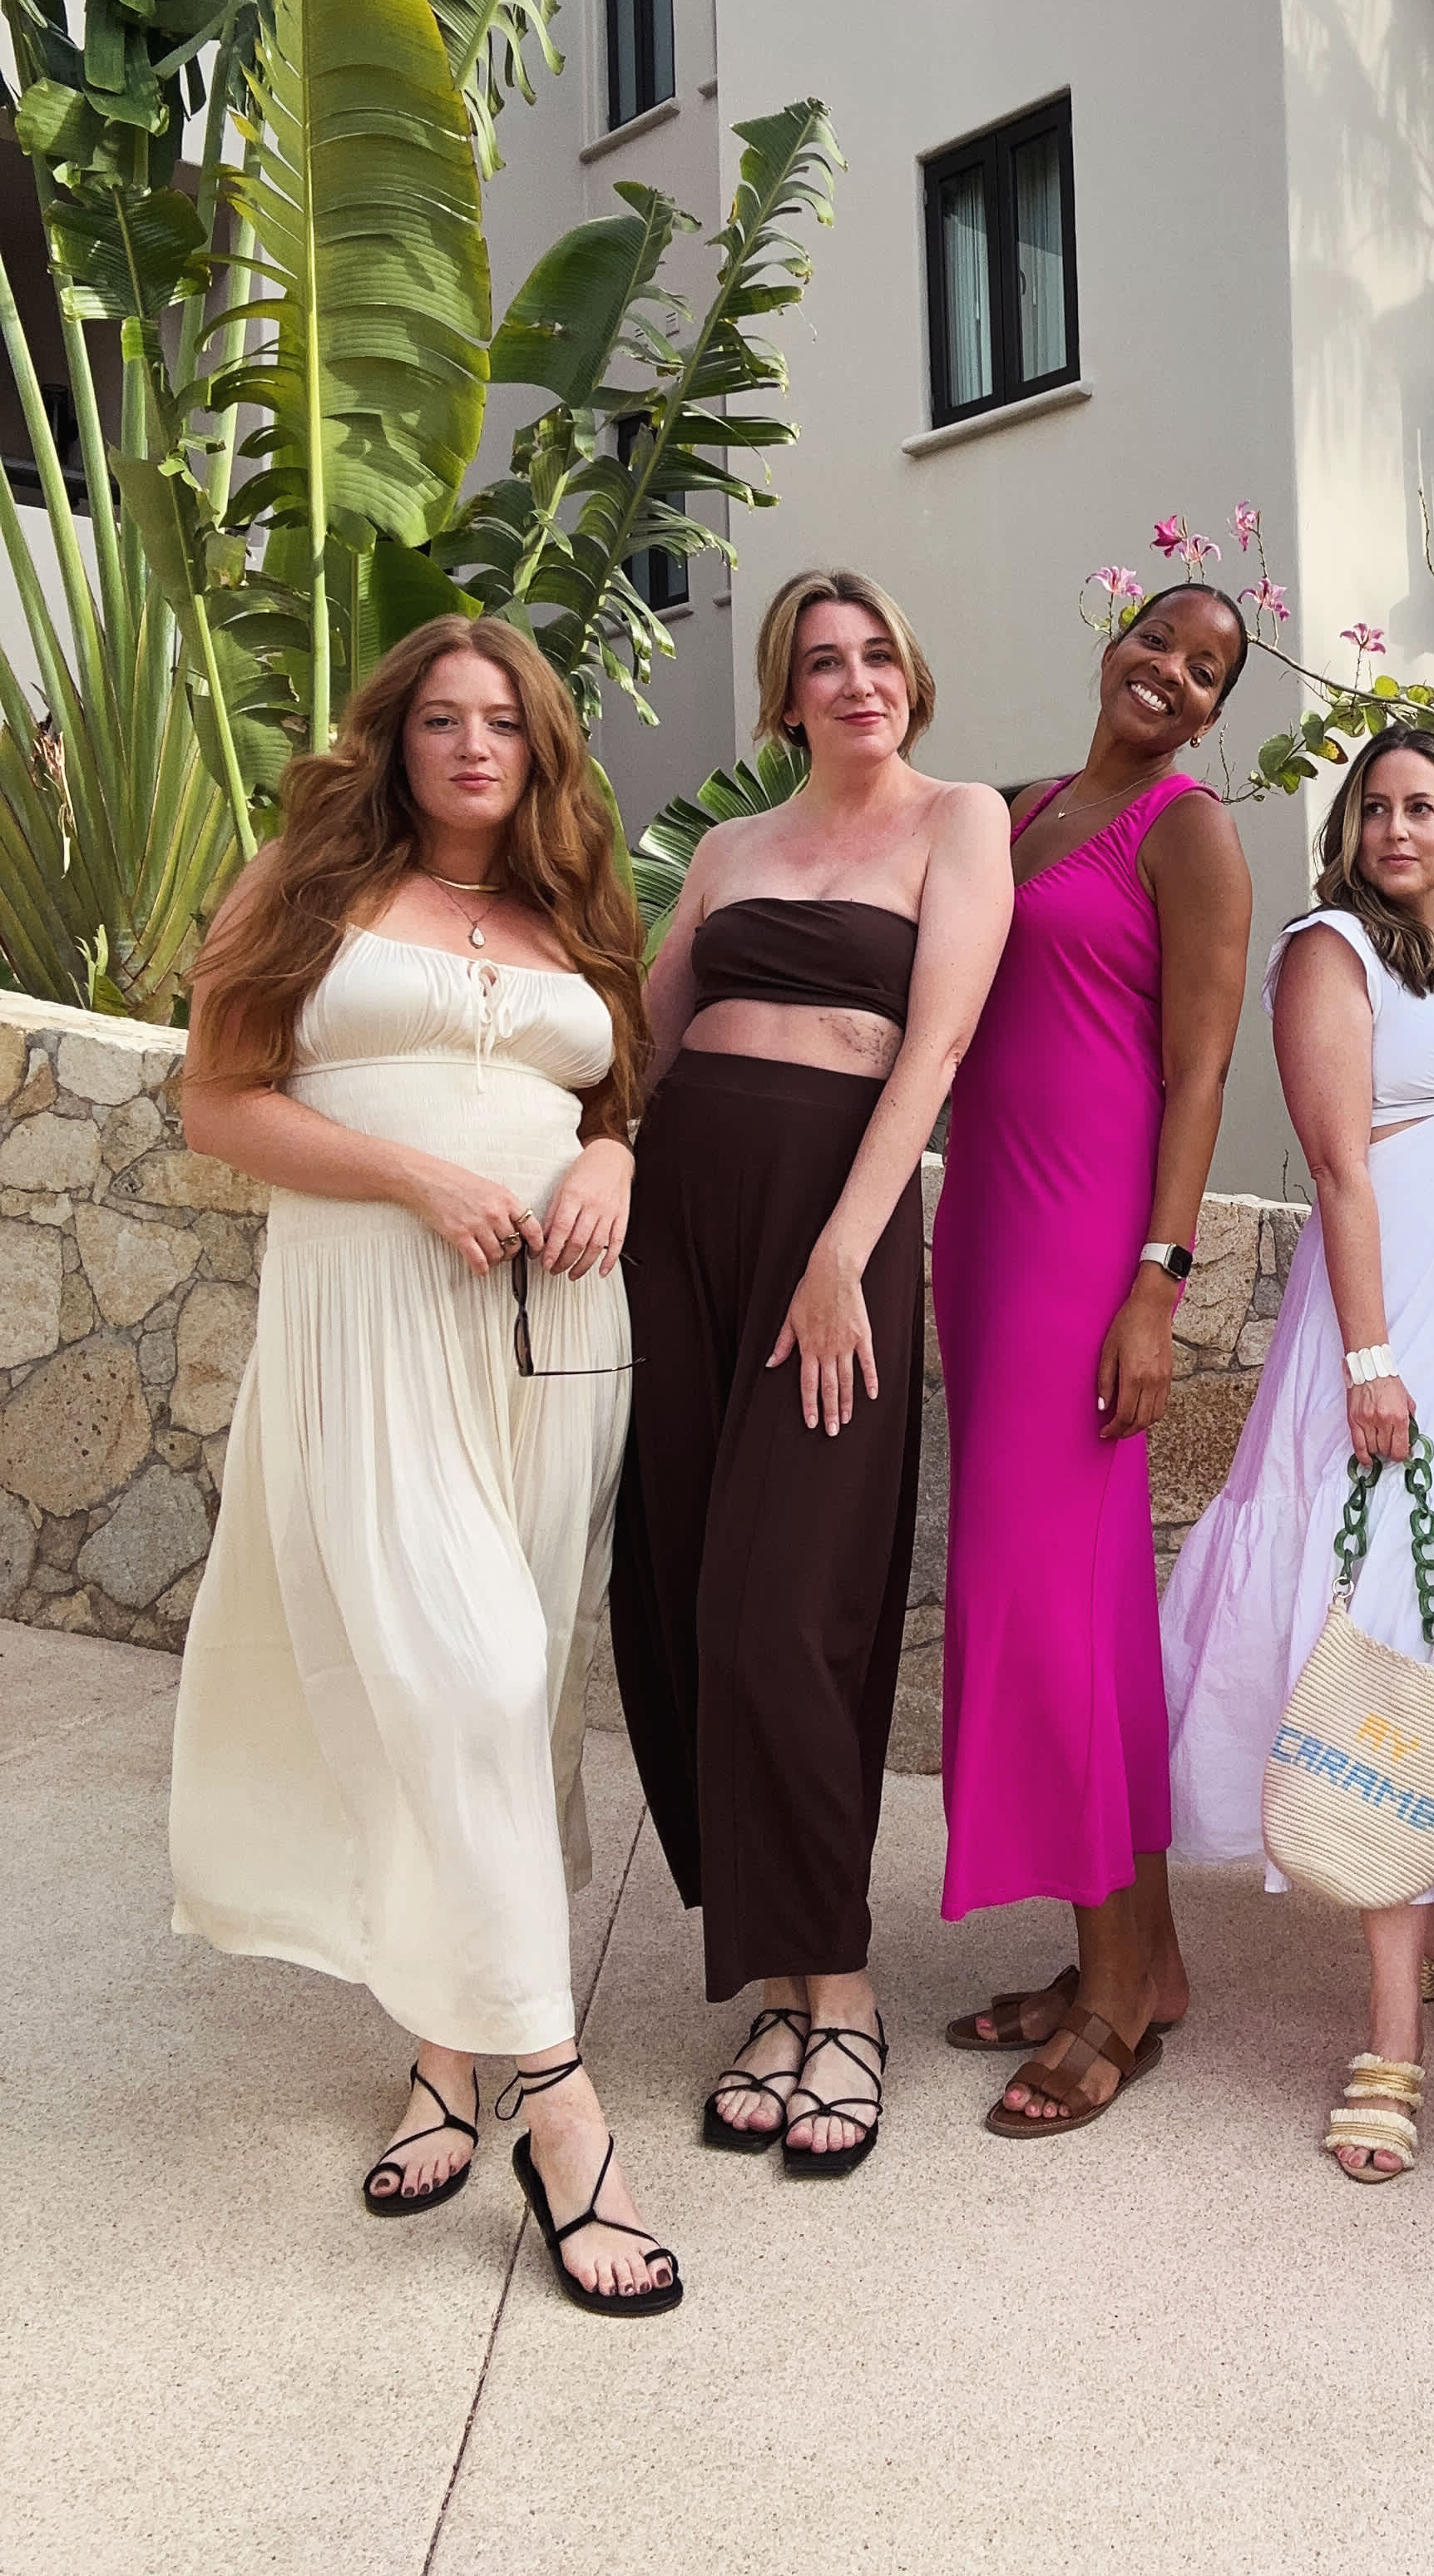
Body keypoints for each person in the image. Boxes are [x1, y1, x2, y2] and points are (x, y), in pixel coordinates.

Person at [171, 616, 678, 2314]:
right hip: (374, 1330)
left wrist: (611, 1157)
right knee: (454, 1674)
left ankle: (445, 2060)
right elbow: (218, 1107)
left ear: (541, 752)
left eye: (507, 724)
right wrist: (406, 1177)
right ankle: (565, 2120)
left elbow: (616, 1095)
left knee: (512, 1690)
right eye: (444, 720)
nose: (475, 747)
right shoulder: (300, 887)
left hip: (553, 1348)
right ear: (394, 738)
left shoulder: (577, 913)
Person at [611, 571, 1011, 2173]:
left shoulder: (956, 819)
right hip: (683, 1216)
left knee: (793, 1607)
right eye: (823, 664)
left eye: (879, 658)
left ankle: (841, 1996)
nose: (856, 683)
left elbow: (935, 1049)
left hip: (826, 1226)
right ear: (783, 697)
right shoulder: (727, 850)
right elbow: (643, 1041)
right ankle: (777, 1990)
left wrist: (847, 1253)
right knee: (687, 1594)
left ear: (912, 677)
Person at [1164, 729, 1434, 2182]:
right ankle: (1391, 2033)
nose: (1399, 827)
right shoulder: (1329, 948)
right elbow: (1342, 1160)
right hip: (1399, 1323)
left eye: (1425, 807)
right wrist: (1369, 1357)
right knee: (1396, 1628)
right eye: (1377, 808)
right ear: (1349, 832)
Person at [932, 581, 1254, 2137]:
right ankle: (1135, 1959)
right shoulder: (1013, 809)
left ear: (1211, 716)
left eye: (1207, 674)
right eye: (1160, 645)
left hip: (1084, 1256)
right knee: (1051, 1609)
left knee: (1060, 1617)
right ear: (1113, 644)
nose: (1173, 677)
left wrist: (1156, 1286)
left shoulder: (1191, 836)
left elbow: (1200, 1075)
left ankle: (1118, 1992)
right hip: (983, 1233)